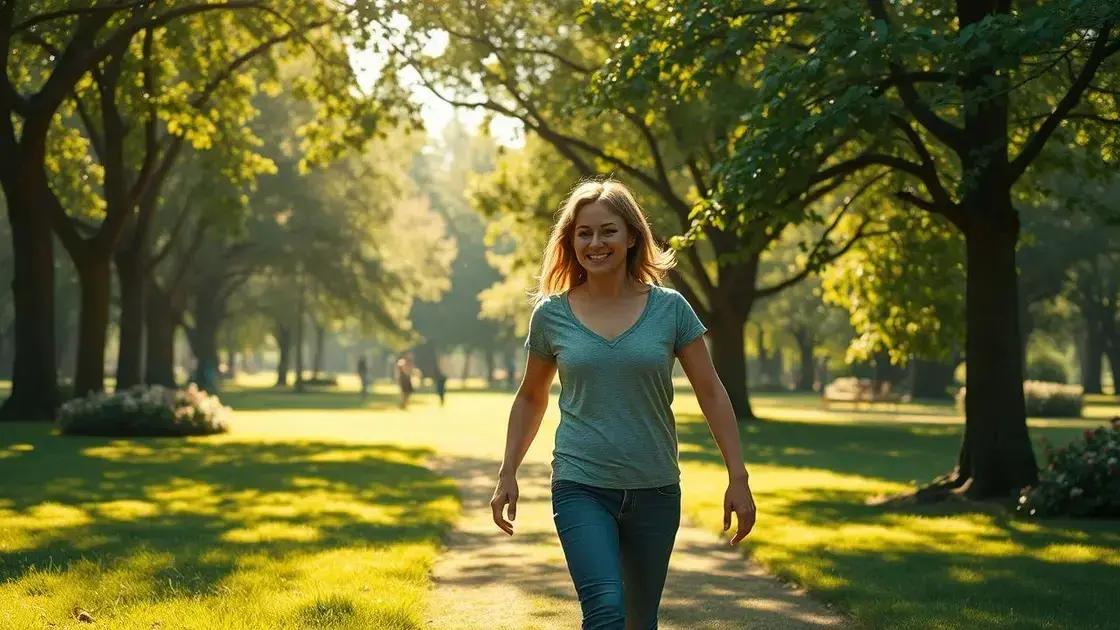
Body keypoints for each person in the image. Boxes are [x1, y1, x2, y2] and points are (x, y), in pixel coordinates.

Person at [490, 179, 757, 629]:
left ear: (632, 235)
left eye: (608, 231)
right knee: (606, 610)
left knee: (639, 621)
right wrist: (507, 472)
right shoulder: (551, 315)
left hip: (655, 487)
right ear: (570, 241)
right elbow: (531, 396)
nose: (596, 243)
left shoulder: (670, 310)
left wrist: (738, 476)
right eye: (584, 233)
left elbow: (711, 391)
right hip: (581, 484)